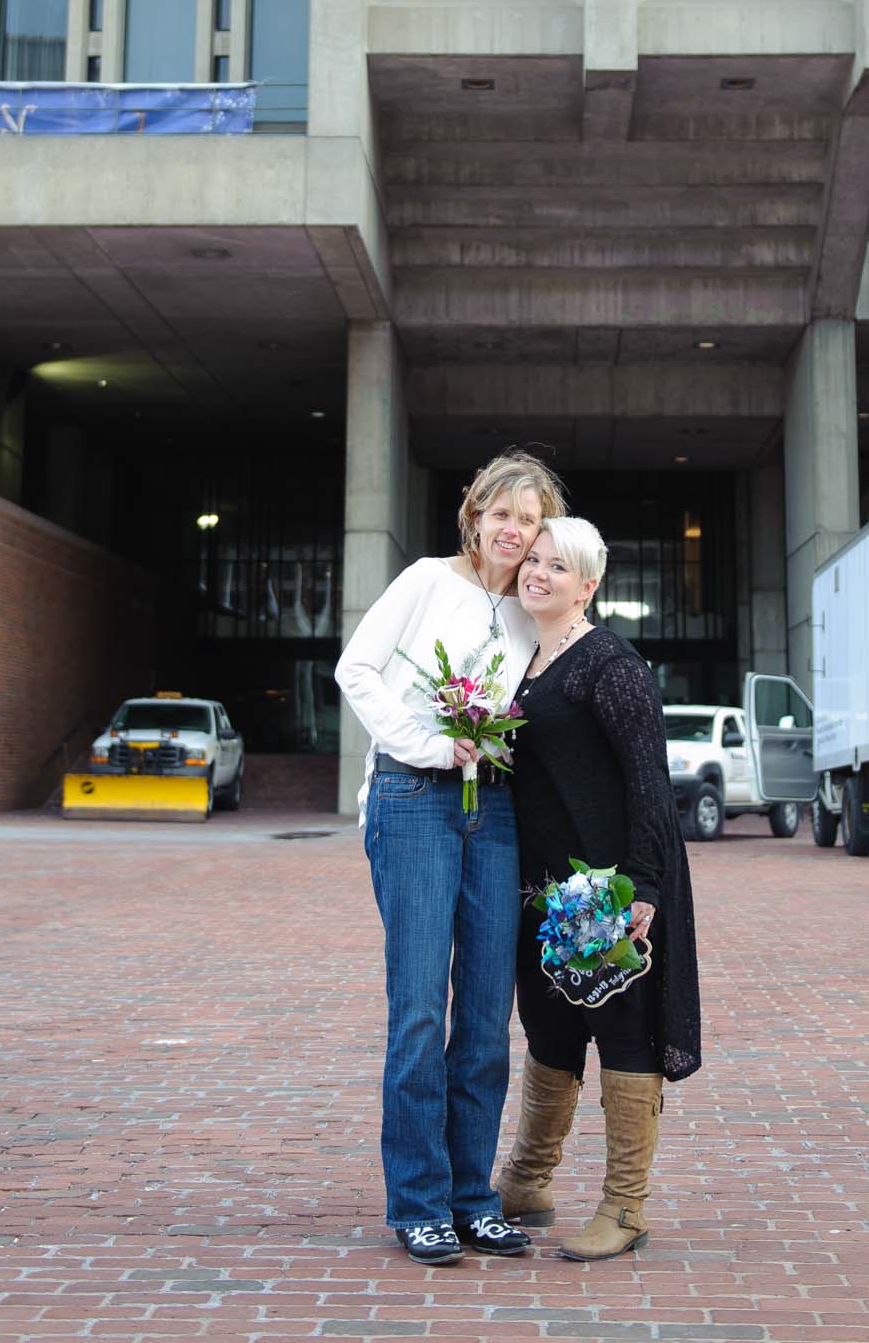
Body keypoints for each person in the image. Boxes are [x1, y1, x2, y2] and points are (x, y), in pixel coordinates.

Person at [335, 450, 568, 1266]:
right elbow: (355, 668)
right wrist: (428, 745)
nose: (514, 531)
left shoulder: (531, 610)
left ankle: (473, 1199)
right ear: (474, 515)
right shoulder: (425, 581)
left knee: (482, 1017)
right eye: (502, 514)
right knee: (420, 1009)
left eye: (530, 520)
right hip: (412, 802)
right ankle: (417, 1202)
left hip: (494, 807)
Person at [498, 516, 701, 1261]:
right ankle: (525, 1183)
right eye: (534, 561)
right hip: (542, 893)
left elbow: (650, 780)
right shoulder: (525, 660)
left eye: (558, 566)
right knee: (550, 1032)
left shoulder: (607, 665)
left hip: (604, 890)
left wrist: (643, 888)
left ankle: (624, 1207)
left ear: (588, 585)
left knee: (621, 1034)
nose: (538, 573)